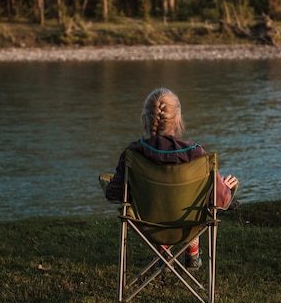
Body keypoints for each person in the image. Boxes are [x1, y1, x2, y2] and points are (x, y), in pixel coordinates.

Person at [99, 87, 239, 270]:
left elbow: (114, 194)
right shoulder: (198, 155)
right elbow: (220, 201)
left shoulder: (132, 155)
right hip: (190, 223)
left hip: (148, 226)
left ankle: (163, 254)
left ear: (145, 119)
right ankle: (192, 253)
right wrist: (225, 188)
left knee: (146, 199)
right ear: (178, 119)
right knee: (198, 202)